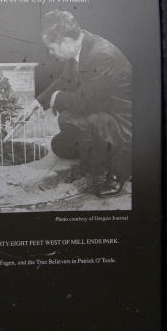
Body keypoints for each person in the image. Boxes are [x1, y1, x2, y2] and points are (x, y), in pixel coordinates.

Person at [35, 10, 132, 198]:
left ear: (65, 41)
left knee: (72, 119)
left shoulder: (101, 54)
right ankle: (95, 158)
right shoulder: (83, 47)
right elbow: (65, 80)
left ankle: (116, 173)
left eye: (52, 47)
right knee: (60, 145)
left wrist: (56, 97)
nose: (50, 53)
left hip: (123, 125)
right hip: (105, 116)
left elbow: (85, 102)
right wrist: (38, 104)